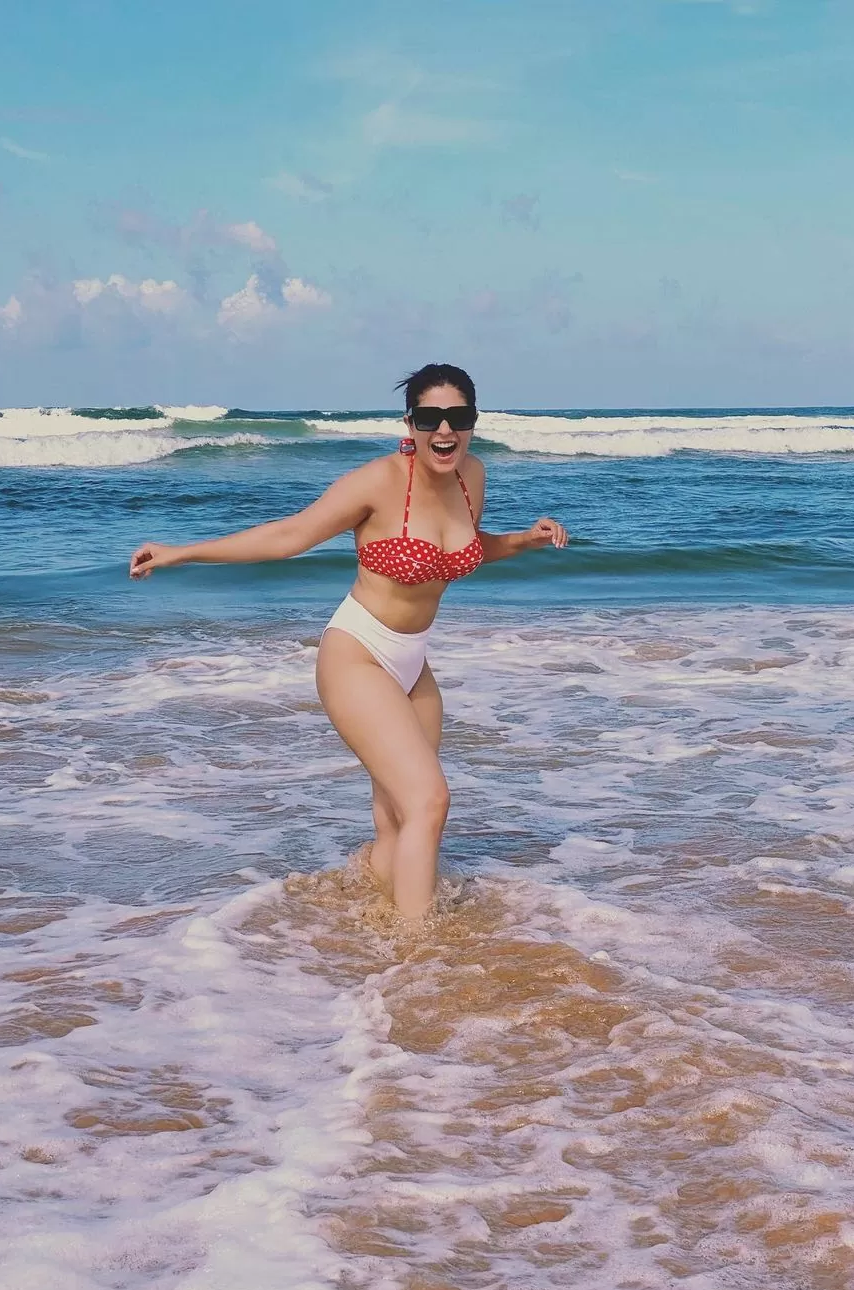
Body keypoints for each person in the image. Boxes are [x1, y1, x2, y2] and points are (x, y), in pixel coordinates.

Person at [130, 363, 569, 924]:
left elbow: (465, 547)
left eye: (457, 417)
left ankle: (364, 913)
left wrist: (523, 541)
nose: (444, 430)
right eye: (430, 418)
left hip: (414, 662)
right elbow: (290, 535)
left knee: (400, 819)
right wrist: (182, 552)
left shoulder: (472, 476)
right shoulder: (377, 482)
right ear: (409, 424)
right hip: (358, 653)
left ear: (472, 422)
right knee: (429, 801)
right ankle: (421, 949)